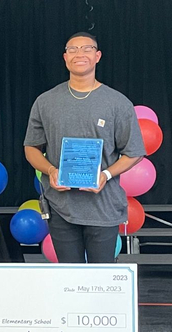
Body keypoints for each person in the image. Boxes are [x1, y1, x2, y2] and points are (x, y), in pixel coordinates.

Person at [23, 32, 146, 263]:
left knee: (101, 279)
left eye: (87, 48)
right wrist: (51, 171)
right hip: (61, 207)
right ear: (65, 57)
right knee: (70, 280)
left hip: (103, 207)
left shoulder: (117, 102)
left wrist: (106, 175)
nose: (80, 54)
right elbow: (31, 147)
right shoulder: (45, 101)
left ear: (97, 56)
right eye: (73, 49)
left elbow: (134, 151)